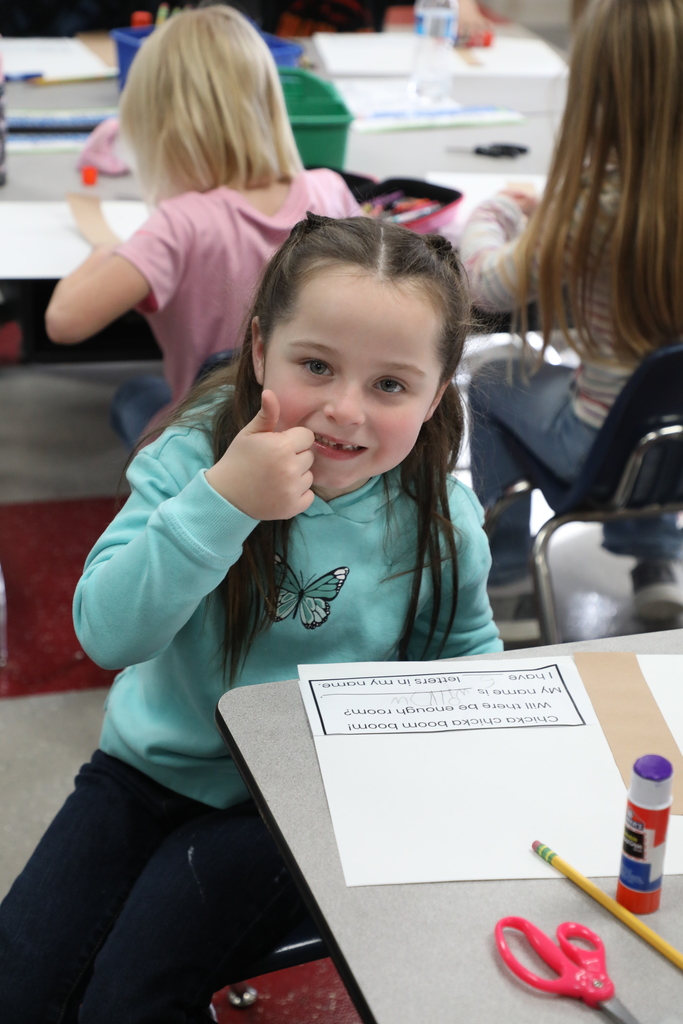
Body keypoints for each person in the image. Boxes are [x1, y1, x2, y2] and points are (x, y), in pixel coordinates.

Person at [0, 214, 501, 1022]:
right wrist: (223, 504)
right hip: (143, 771)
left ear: (436, 393)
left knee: (125, 1002)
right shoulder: (194, 457)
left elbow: (464, 656)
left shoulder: (439, 516)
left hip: (290, 798)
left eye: (389, 385)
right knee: (18, 985)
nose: (343, 411)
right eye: (315, 365)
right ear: (261, 350)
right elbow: (106, 635)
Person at [460, 0, 683, 644]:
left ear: (595, 91)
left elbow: (487, 284)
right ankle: (655, 557)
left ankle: (502, 578)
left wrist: (499, 209)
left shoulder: (587, 208)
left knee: (493, 373)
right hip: (672, 449)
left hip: (595, 452)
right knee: (658, 393)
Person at [44, 5, 360, 448]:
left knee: (135, 395)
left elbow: (63, 322)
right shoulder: (331, 191)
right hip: (318, 433)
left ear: (159, 127)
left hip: (212, 445)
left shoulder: (180, 224)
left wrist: (102, 254)